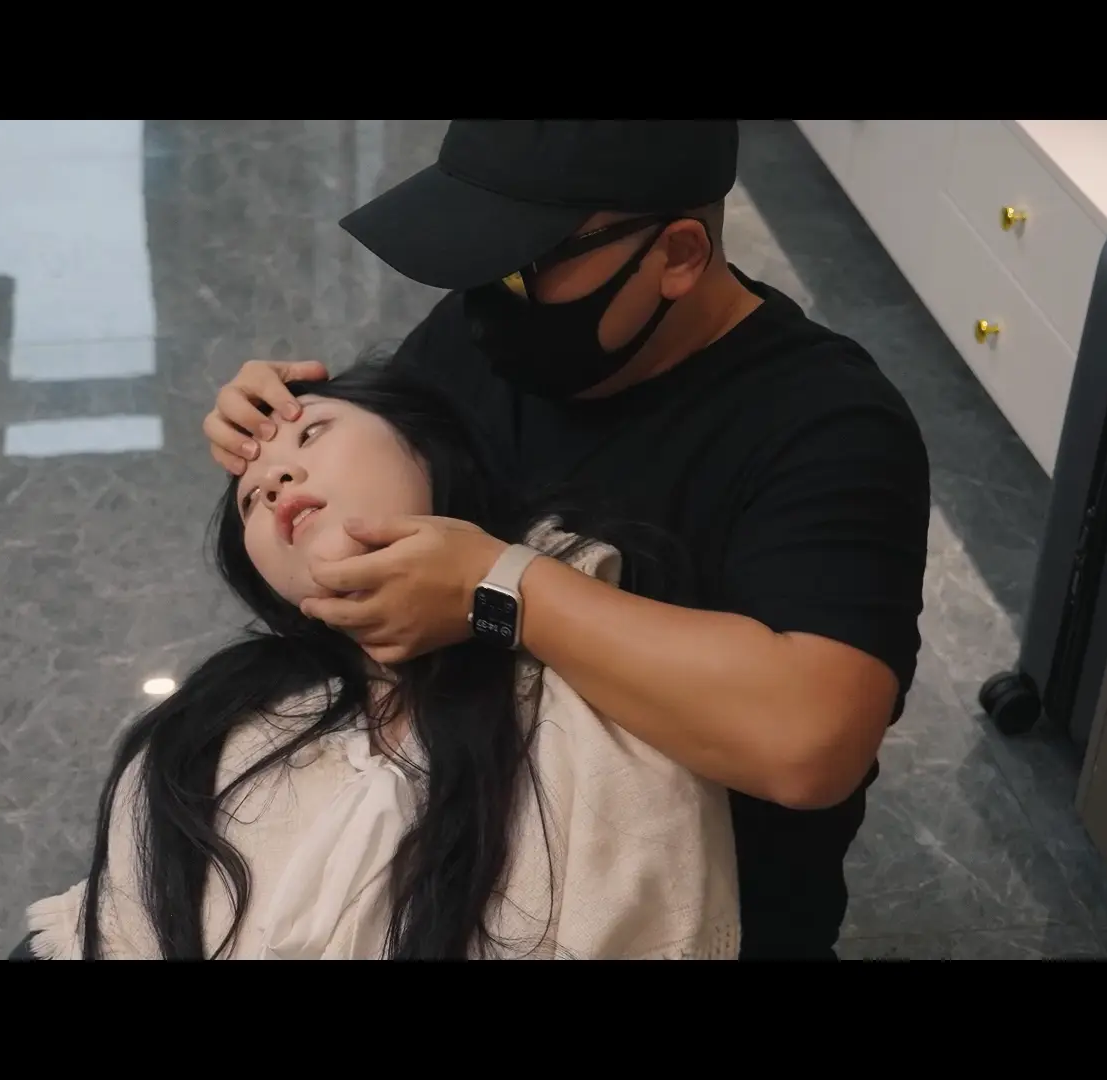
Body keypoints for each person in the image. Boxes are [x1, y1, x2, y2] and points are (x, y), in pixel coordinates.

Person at [200, 120, 932, 959]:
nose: (486, 295)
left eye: (523, 264)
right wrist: (284, 437)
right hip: (454, 840)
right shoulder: (489, 332)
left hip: (682, 910)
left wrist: (502, 590)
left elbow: (811, 741)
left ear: (679, 254)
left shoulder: (828, 427)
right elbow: (392, 486)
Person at [18, 359, 742, 960]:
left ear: (426, 446)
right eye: (250, 499)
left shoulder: (585, 628)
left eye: (312, 434)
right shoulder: (218, 728)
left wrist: (494, 588)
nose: (273, 481)